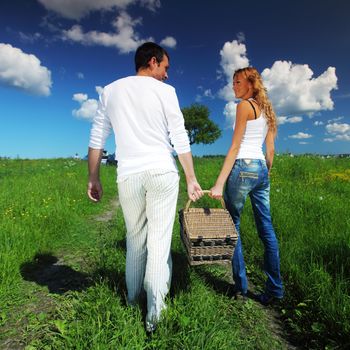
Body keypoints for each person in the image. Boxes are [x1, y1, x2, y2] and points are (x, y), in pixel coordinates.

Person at [87, 42, 202, 332]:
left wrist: (94, 177)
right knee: (159, 243)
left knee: (135, 239)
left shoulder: (110, 90)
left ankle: (131, 302)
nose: (166, 75)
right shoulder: (166, 92)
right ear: (153, 62)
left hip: (129, 176)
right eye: (165, 68)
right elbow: (179, 136)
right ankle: (154, 315)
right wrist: (191, 178)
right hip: (162, 172)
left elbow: (97, 138)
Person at [210, 67, 283, 304]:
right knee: (267, 230)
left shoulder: (244, 106)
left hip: (242, 167)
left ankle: (241, 287)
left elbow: (234, 147)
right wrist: (265, 175)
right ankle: (275, 290)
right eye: (233, 82)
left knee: (233, 226)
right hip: (261, 169)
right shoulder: (268, 111)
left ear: (251, 84)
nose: (234, 86)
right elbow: (270, 152)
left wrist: (219, 183)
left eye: (238, 82)